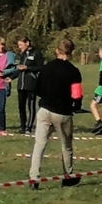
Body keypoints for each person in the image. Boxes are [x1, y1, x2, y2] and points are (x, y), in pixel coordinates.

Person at [28, 38, 82, 190]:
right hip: (63, 113)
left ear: (57, 50)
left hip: (45, 110)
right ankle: (68, 176)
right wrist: (75, 107)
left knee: (39, 145)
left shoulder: (46, 68)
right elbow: (77, 95)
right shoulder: (74, 71)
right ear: (72, 52)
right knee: (66, 146)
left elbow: (37, 89)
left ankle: (34, 178)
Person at [15, 36, 44, 135]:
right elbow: (19, 68)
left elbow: (41, 67)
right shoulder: (23, 54)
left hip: (31, 84)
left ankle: (29, 127)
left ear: (27, 43)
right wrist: (11, 77)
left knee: (30, 106)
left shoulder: (37, 53)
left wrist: (28, 67)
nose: (19, 47)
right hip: (21, 84)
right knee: (21, 106)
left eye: (21, 45)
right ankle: (22, 127)